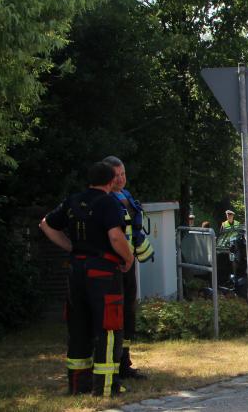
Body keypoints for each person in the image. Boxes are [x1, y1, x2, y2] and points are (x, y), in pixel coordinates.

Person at [39, 162, 133, 396]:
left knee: (78, 326)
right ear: (111, 181)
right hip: (103, 272)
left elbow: (46, 225)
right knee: (109, 328)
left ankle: (78, 385)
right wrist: (128, 259)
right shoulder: (109, 203)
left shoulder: (73, 201)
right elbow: (115, 237)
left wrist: (71, 247)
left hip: (76, 271)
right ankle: (106, 387)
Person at [102, 156, 154, 380]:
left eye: (123, 173)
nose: (121, 179)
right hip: (114, 264)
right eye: (117, 175)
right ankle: (114, 363)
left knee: (128, 313)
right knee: (114, 313)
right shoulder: (104, 199)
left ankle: (125, 361)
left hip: (128, 262)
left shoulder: (126, 195)